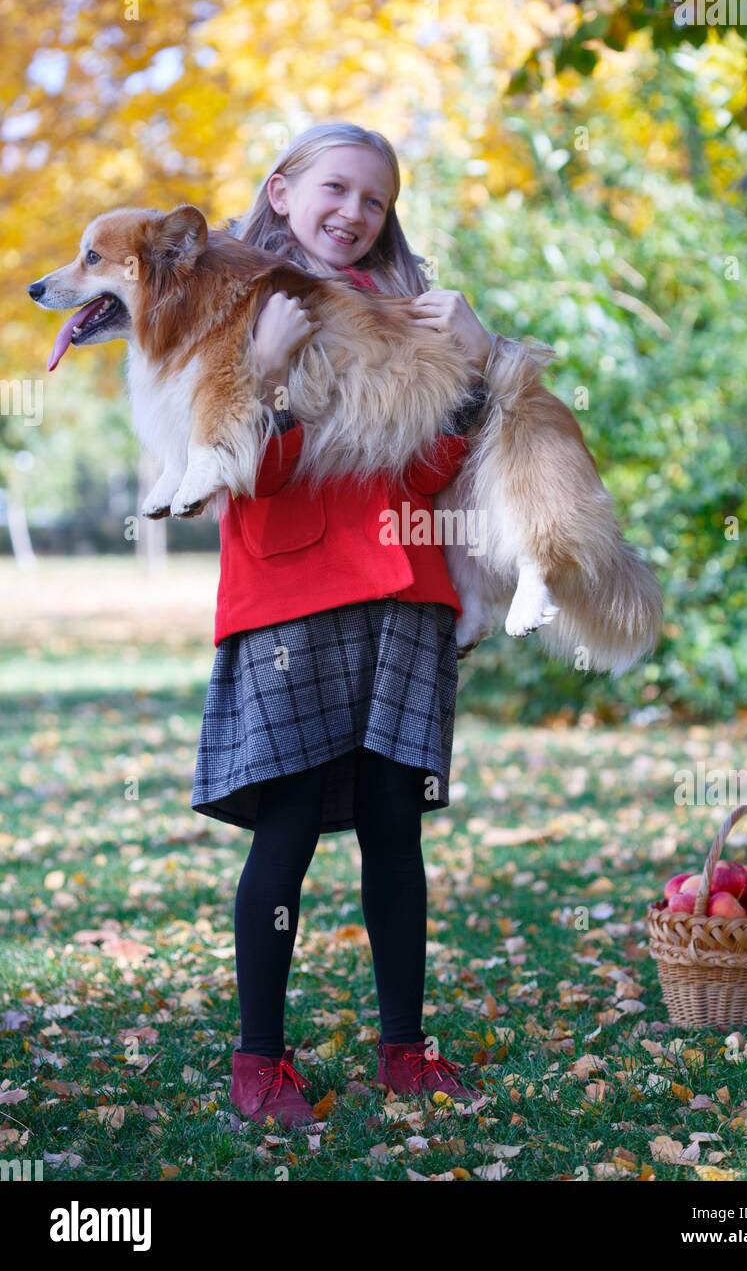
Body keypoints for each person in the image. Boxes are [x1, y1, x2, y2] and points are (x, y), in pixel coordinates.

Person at [190, 122, 498, 1127]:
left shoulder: (404, 313)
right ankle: (257, 1063)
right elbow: (249, 472)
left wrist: (472, 368)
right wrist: (272, 372)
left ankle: (405, 1050)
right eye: (335, 188)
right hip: (290, 599)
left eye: (374, 199)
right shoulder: (228, 307)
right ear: (281, 190)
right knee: (283, 833)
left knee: (392, 833)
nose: (353, 213)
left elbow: (426, 471)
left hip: (402, 594)